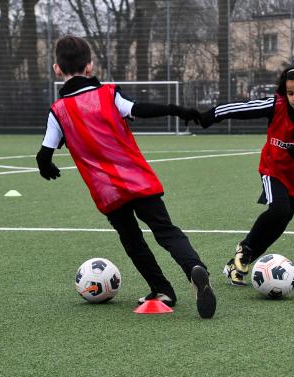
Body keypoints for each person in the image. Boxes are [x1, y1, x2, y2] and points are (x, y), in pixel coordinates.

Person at [35, 35, 216, 318]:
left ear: (57, 69)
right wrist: (179, 111)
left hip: (107, 192)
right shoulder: (108, 94)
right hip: (139, 181)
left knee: (132, 239)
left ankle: (162, 289)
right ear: (90, 66)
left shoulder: (58, 112)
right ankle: (194, 269)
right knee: (166, 231)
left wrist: (48, 167)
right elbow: (142, 110)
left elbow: (43, 155)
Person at [200, 63, 294, 286]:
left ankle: (238, 262)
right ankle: (245, 248)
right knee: (279, 210)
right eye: (291, 93)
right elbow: (244, 108)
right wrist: (215, 113)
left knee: (282, 220)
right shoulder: (277, 104)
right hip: (274, 168)